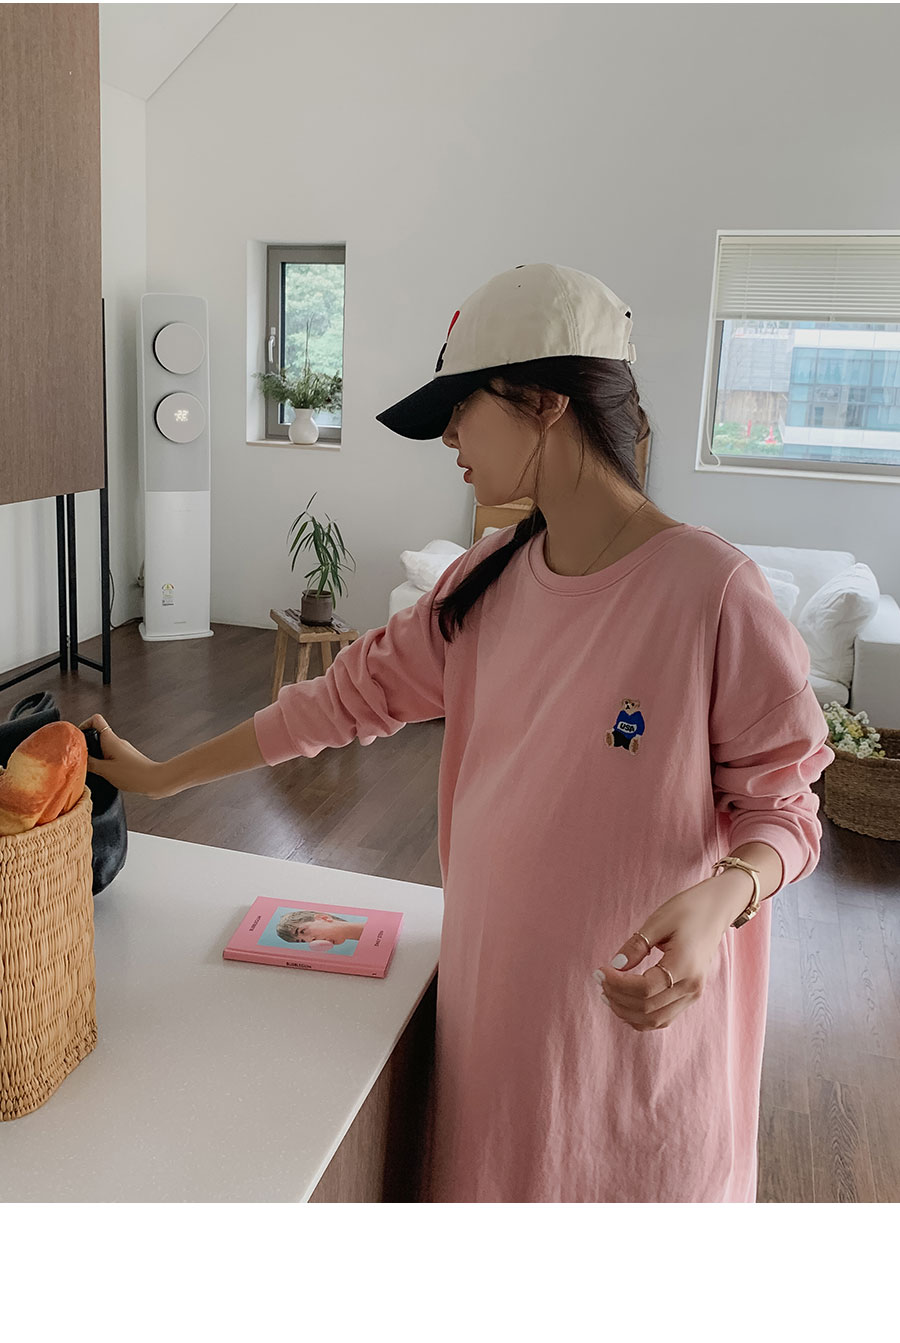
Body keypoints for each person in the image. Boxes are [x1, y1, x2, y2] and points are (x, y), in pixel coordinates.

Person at [80, 262, 835, 1202]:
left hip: (639, 1045)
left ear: (546, 402)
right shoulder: (482, 581)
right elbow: (335, 702)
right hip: (495, 1029)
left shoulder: (712, 592)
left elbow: (786, 811)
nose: (447, 437)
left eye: (461, 407)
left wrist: (726, 896)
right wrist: (161, 777)